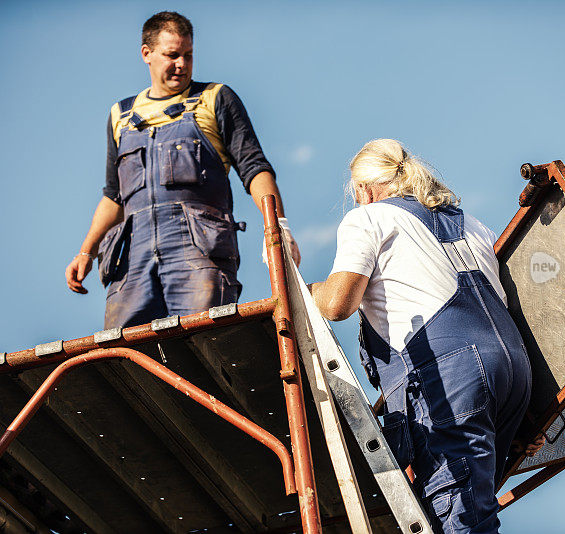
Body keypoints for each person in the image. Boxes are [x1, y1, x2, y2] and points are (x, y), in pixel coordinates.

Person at [310, 139, 539, 533]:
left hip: (450, 374)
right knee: (475, 505)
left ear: (364, 189)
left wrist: (303, 289)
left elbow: (338, 305)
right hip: (513, 372)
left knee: (458, 517)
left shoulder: (369, 218)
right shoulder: (472, 224)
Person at [64, 11, 299, 328]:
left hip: (198, 257)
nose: (182, 64)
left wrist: (278, 229)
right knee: (129, 359)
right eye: (172, 55)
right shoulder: (120, 115)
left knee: (206, 347)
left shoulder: (215, 99)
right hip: (131, 266)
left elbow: (255, 169)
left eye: (188, 55)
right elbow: (114, 197)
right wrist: (86, 253)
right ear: (147, 54)